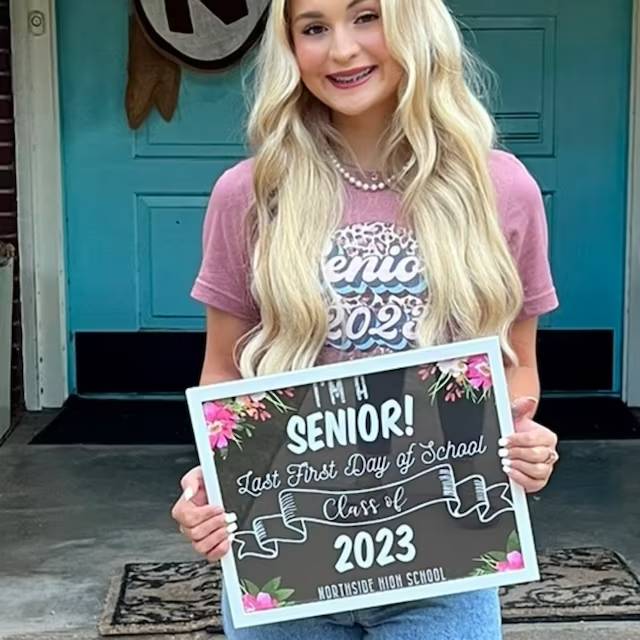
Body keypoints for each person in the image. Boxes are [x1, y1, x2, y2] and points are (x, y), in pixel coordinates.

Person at [171, 0, 560, 637]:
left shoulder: (500, 190)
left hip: (444, 556)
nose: (343, 50)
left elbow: (517, 372)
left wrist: (524, 449)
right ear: (290, 47)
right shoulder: (247, 194)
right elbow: (223, 370)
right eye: (314, 28)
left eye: (367, 17)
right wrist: (212, 478)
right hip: (292, 555)